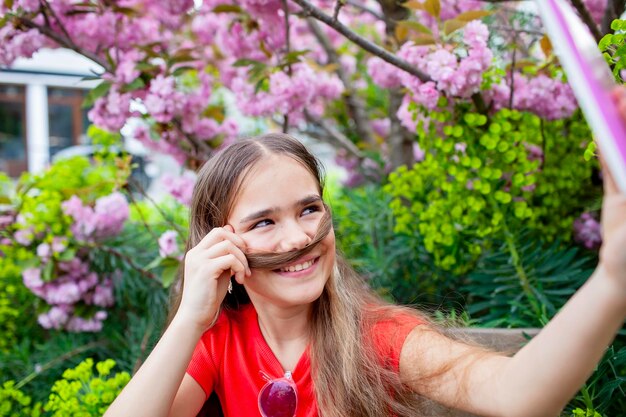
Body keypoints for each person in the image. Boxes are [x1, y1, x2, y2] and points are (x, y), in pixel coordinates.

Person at [104, 88, 626, 417]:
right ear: (221, 247)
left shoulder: (377, 338)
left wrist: (612, 282)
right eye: (264, 222)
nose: (296, 238)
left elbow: (518, 395)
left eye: (309, 209)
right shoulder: (219, 342)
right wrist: (191, 319)